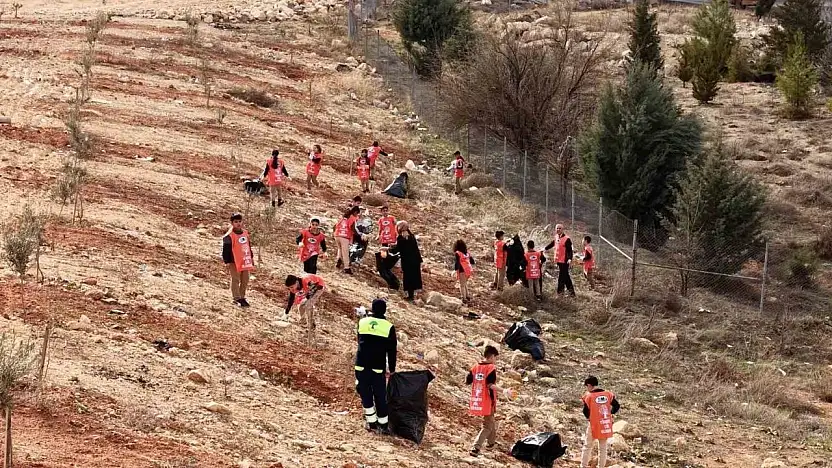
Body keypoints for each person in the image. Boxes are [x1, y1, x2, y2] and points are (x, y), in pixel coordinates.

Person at [355, 299, 397, 435]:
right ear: (385, 311)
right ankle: (383, 425)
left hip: (361, 364)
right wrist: (392, 369)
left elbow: (359, 341)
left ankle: (371, 422)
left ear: (372, 309)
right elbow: (391, 350)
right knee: (380, 395)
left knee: (365, 393)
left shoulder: (362, 322)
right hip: (377, 366)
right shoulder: (388, 327)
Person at [467, 345, 505, 457]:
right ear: (492, 356)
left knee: (491, 420)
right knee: (487, 426)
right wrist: (504, 391)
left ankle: (491, 444)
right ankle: (476, 447)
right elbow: (490, 385)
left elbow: (468, 380)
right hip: (487, 400)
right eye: (495, 358)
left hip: (477, 400)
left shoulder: (475, 367)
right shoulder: (491, 368)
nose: (495, 361)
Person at [580, 376, 620, 468]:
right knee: (603, 448)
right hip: (605, 423)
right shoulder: (608, 394)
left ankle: (583, 466)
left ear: (589, 385)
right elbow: (616, 405)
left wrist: (589, 418)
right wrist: (611, 413)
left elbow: (585, 411)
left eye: (587, 386)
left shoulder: (589, 396)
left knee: (587, 446)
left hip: (594, 424)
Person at [222, 213, 254, 307]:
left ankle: (242, 297)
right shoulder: (229, 236)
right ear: (232, 223)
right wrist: (227, 261)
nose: (238, 224)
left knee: (245, 279)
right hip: (234, 260)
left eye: (240, 221)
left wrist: (251, 257)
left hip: (245, 260)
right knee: (235, 279)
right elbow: (226, 250)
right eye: (236, 222)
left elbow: (248, 246)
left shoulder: (245, 233)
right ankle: (236, 298)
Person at [283, 274, 326, 341]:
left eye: (292, 287)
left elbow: (315, 287)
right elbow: (291, 299)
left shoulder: (306, 280)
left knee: (308, 305)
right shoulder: (294, 287)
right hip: (310, 290)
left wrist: (307, 297)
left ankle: (311, 326)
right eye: (289, 288)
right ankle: (304, 322)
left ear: (296, 282)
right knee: (301, 306)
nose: (291, 289)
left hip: (319, 287)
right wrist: (286, 313)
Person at [388, 221, 423, 301]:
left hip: (408, 261)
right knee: (414, 277)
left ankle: (410, 296)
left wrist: (390, 248)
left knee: (408, 278)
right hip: (415, 260)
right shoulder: (411, 236)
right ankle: (413, 295)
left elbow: (398, 249)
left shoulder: (401, 238)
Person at [544, 224, 575, 296]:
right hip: (559, 261)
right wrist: (545, 248)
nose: (558, 229)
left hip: (565, 261)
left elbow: (569, 250)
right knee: (566, 277)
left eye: (560, 228)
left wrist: (570, 259)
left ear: (563, 229)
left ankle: (560, 293)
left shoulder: (567, 239)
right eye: (557, 228)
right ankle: (572, 293)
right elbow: (552, 244)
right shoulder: (556, 237)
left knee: (561, 278)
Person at [334, 206, 363, 274]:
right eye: (357, 214)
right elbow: (353, 228)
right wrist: (359, 234)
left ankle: (339, 260)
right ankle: (346, 268)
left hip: (337, 234)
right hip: (344, 236)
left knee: (340, 249)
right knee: (345, 252)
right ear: (355, 212)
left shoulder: (343, 216)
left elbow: (335, 226)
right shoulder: (352, 218)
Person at [453, 239, 475, 304]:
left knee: (462, 285)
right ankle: (467, 295)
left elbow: (457, 262)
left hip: (462, 270)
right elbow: (472, 261)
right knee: (464, 283)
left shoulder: (458, 253)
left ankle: (464, 298)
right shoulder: (467, 253)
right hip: (469, 270)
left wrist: (455, 270)